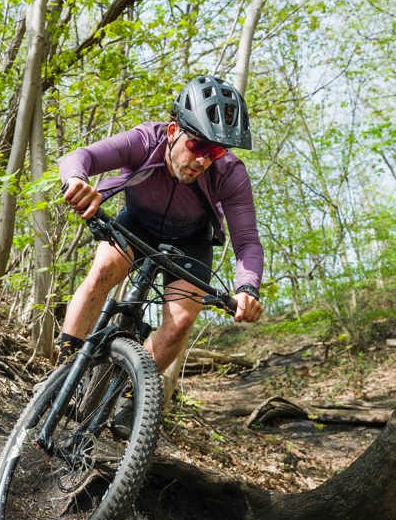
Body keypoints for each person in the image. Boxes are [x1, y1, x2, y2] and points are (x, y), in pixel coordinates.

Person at [58, 74, 264, 374]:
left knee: (181, 321)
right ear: (172, 132)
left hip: (191, 242)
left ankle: (132, 397)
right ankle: (62, 369)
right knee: (103, 270)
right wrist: (76, 179)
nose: (204, 161)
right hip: (136, 223)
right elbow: (81, 156)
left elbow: (246, 242)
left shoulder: (230, 174)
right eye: (197, 147)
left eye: (215, 152)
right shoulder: (144, 141)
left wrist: (247, 287)